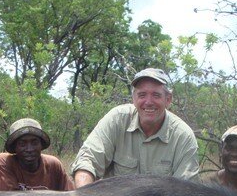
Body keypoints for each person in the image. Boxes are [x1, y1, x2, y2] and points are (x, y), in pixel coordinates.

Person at [70, 68, 200, 188]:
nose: (148, 102)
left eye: (156, 95)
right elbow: (87, 160)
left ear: (168, 99)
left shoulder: (183, 137)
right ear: (133, 98)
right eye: (142, 95)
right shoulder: (117, 119)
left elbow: (186, 193)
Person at [0, 118, 74, 191]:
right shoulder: (6, 162)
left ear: (41, 145)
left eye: (35, 143)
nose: (29, 149)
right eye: (22, 144)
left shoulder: (53, 165)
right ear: (15, 147)